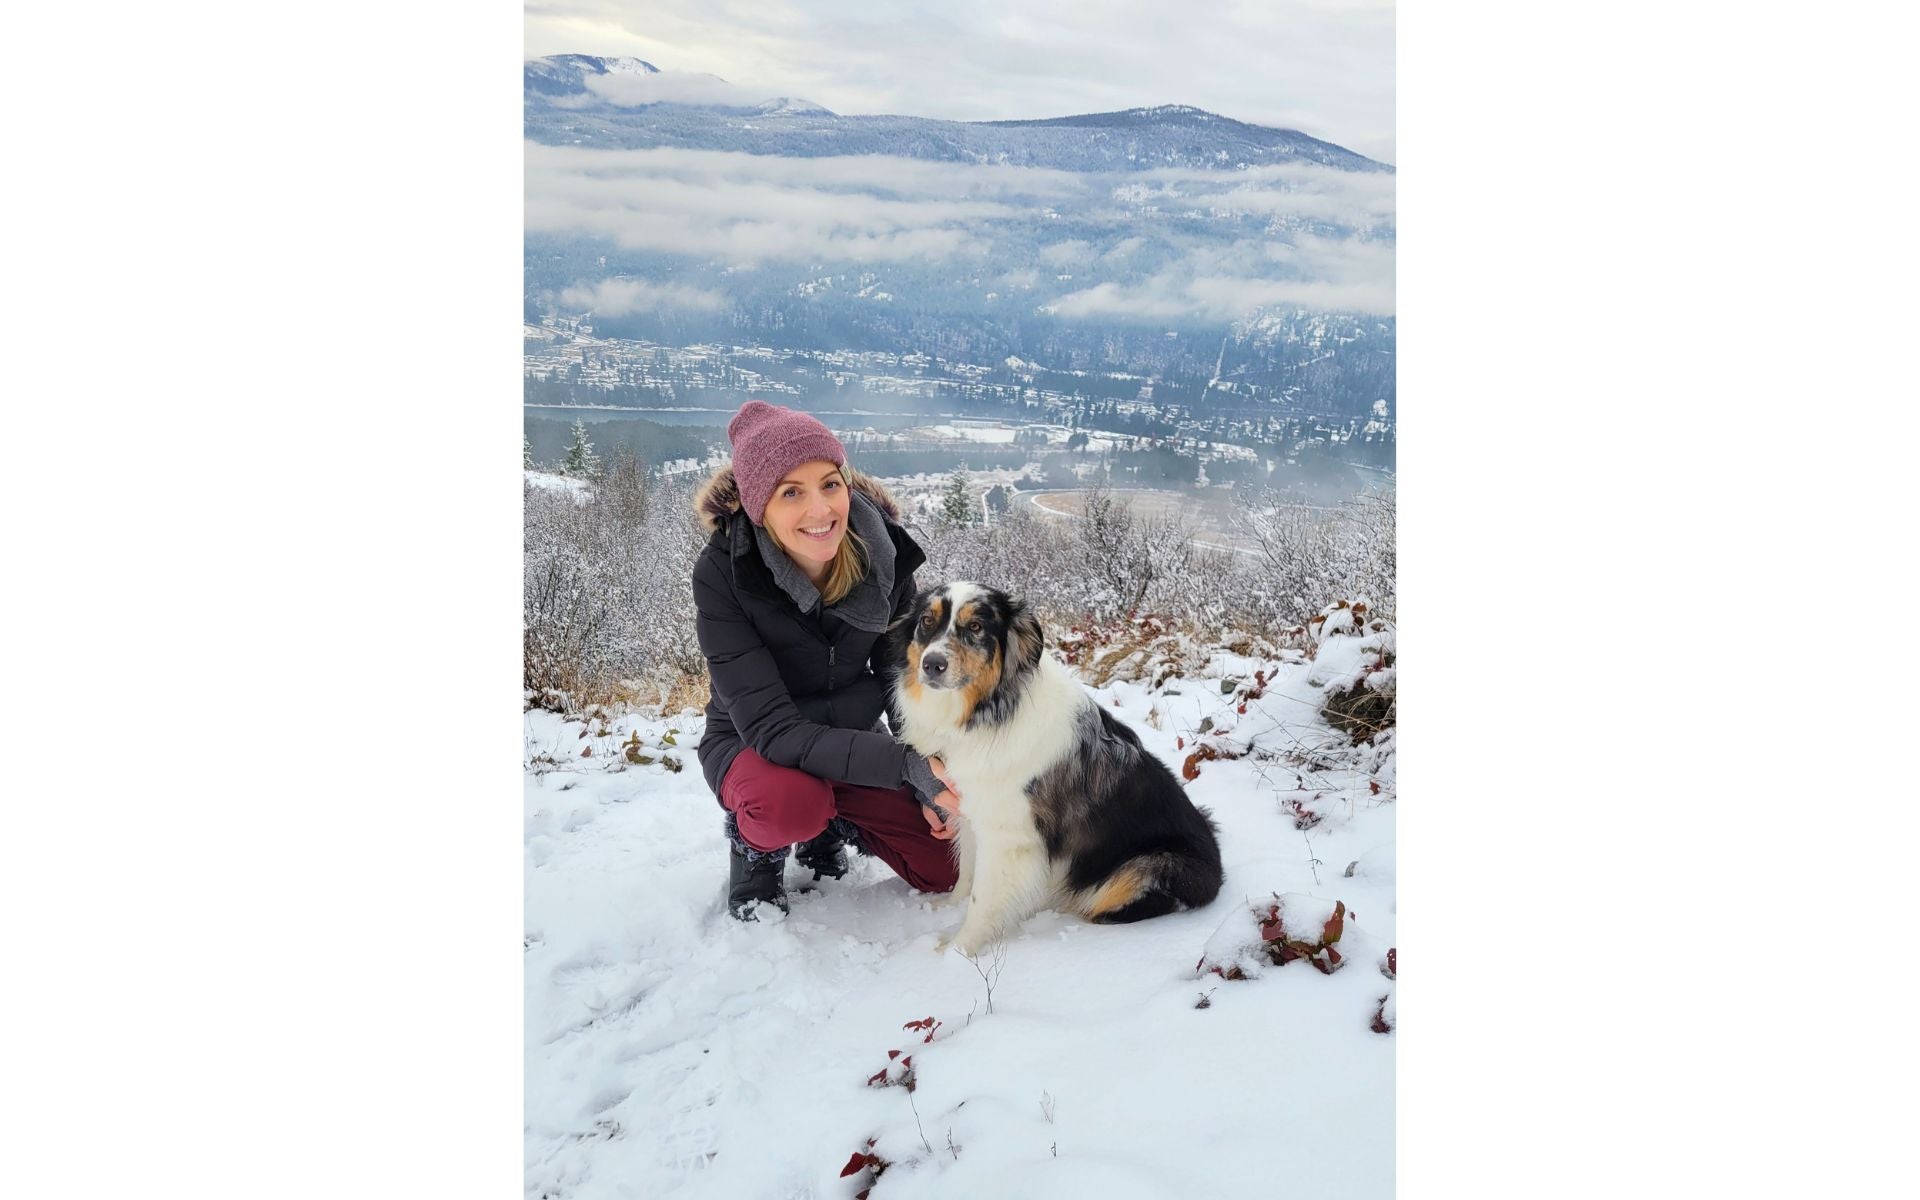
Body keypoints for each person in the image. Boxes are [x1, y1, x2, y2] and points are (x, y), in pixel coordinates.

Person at [692, 400, 962, 920]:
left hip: (849, 739)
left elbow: (898, 679)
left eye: (830, 484)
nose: (821, 511)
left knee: (947, 865)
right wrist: (903, 765)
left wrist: (933, 767)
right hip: (755, 745)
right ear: (757, 506)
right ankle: (760, 848)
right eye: (791, 492)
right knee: (788, 803)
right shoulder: (723, 574)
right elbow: (772, 729)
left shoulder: (882, 556)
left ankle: (835, 821)